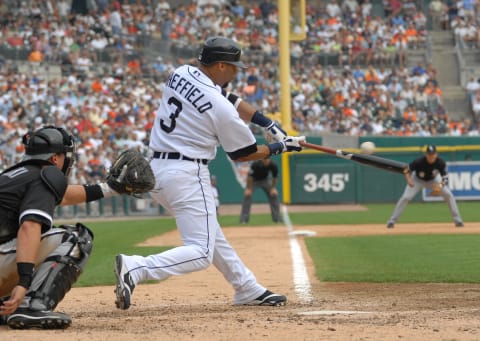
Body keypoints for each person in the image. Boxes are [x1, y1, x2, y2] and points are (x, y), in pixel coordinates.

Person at [114, 36, 304, 310]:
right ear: (219, 66)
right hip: (187, 173)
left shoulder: (181, 73)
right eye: (233, 66)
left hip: (157, 170)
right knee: (201, 251)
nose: (236, 71)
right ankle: (137, 268)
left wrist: (266, 121)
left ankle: (246, 288)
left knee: (212, 236)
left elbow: (224, 96)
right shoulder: (221, 109)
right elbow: (243, 153)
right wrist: (280, 147)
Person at [0, 126, 130, 329]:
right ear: (55, 158)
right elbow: (29, 226)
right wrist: (23, 282)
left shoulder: (15, 175)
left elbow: (65, 195)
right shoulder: (47, 174)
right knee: (77, 238)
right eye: (65, 154)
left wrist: (110, 189)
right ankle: (31, 307)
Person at [387, 145, 464, 228]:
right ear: (426, 154)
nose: (431, 156)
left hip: (433, 180)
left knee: (449, 195)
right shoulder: (419, 161)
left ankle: (458, 220)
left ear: (436, 154)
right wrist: (409, 180)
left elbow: (445, 178)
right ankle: (392, 221)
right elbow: (406, 169)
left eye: (433, 154)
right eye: (429, 154)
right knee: (406, 197)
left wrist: (440, 186)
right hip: (417, 180)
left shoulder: (440, 162)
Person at [239, 157, 281, 224]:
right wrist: (248, 189)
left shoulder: (273, 165)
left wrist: (273, 188)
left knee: (274, 195)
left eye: (267, 159)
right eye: (265, 159)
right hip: (253, 181)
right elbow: (249, 177)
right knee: (247, 196)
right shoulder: (256, 164)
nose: (266, 161)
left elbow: (275, 177)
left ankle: (277, 219)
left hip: (265, 180)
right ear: (262, 159)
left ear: (269, 159)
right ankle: (244, 220)